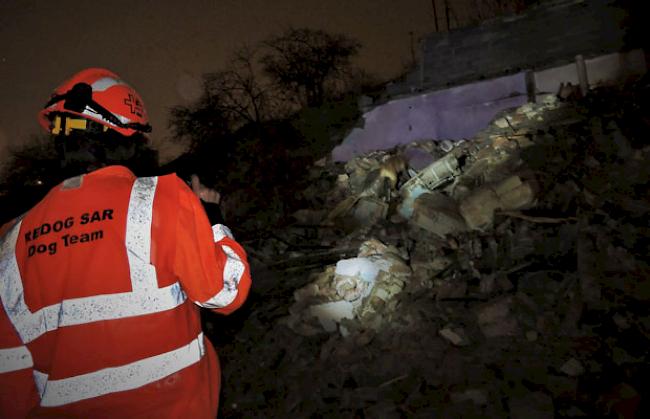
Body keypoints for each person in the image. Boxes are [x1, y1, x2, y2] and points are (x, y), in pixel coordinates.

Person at [0, 68, 251, 418]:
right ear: (127, 136)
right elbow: (226, 293)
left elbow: (10, 382)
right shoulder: (163, 199)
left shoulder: (10, 241)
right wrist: (212, 217)